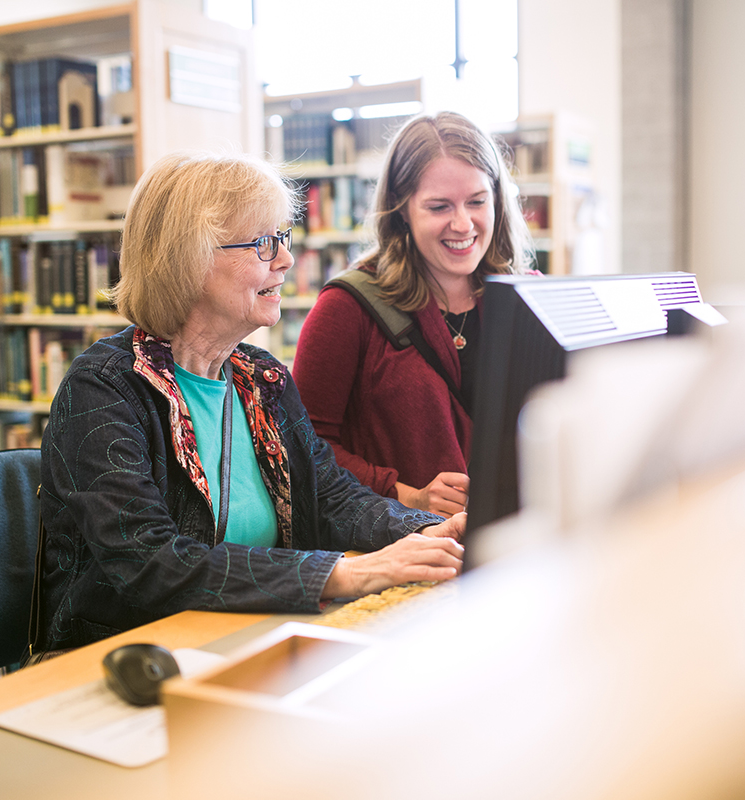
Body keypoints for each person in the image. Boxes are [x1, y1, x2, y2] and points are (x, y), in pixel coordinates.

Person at [37, 151, 465, 652]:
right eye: (263, 243)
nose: (285, 259)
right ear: (187, 257)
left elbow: (332, 500)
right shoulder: (105, 387)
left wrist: (436, 530)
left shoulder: (262, 378)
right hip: (129, 658)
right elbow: (149, 562)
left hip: (249, 635)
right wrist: (344, 574)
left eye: (282, 238)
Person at [292, 111, 535, 517]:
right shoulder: (346, 308)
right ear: (401, 209)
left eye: (477, 201)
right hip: (402, 548)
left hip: (516, 540)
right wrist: (405, 494)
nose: (463, 224)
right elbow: (303, 447)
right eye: (439, 206)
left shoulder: (529, 297)